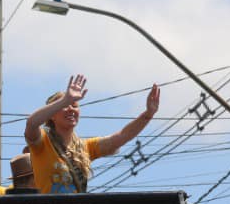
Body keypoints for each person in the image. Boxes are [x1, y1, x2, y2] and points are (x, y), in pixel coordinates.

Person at [24, 74, 159, 194]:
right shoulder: (42, 142)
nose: (71, 109)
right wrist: (65, 100)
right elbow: (31, 123)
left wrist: (148, 114)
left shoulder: (85, 147)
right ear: (52, 115)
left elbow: (121, 137)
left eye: (75, 105)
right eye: (65, 106)